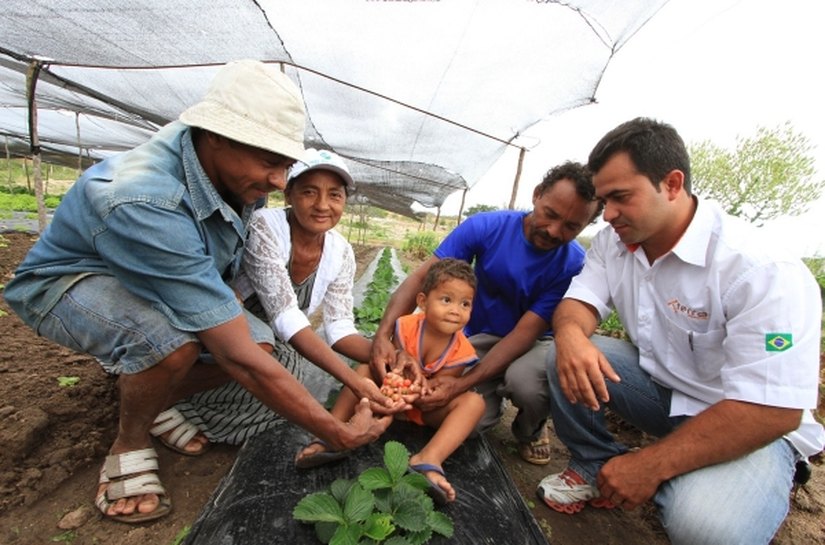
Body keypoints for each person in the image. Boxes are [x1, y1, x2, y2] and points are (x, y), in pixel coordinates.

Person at [2, 60, 394, 524]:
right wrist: (336, 432)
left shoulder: (237, 175)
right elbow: (237, 353)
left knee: (259, 342)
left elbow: (259, 333)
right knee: (176, 344)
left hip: (154, 273)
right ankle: (129, 441)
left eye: (284, 165)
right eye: (272, 165)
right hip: (70, 282)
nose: (277, 181)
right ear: (216, 136)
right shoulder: (145, 198)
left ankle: (153, 392)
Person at [537, 117, 825, 544]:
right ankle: (597, 463)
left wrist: (650, 465)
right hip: (667, 393)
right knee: (561, 351)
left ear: (672, 184)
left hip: (751, 424)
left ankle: (698, 478)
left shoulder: (760, 270)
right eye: (603, 200)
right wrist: (572, 336)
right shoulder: (616, 243)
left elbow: (774, 410)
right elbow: (578, 304)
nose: (607, 215)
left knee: (708, 528)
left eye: (619, 197)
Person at [370, 161, 603, 465]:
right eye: (551, 214)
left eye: (572, 227)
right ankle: (491, 389)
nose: (554, 231)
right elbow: (420, 279)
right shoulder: (487, 227)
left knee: (526, 384)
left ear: (585, 226)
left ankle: (530, 428)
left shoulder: (572, 264)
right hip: (479, 335)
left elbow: (524, 333)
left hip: (534, 342)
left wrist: (462, 383)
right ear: (537, 196)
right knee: (472, 422)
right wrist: (383, 334)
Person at [173, 148, 403, 444]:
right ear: (289, 194)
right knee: (284, 367)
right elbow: (285, 315)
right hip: (223, 330)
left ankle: (207, 413)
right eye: (309, 192)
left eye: (335, 195)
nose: (322, 205)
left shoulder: (341, 252)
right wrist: (355, 381)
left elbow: (339, 327)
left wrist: (389, 356)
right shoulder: (265, 226)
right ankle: (179, 406)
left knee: (292, 383)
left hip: (277, 339)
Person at [296, 258, 485, 504]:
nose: (455, 310)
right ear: (422, 302)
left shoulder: (463, 351)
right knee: (363, 369)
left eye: (465, 304)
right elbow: (388, 365)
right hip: (384, 395)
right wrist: (395, 383)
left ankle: (428, 458)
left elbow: (442, 389)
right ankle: (334, 430)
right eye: (446, 300)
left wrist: (421, 392)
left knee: (475, 402)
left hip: (423, 409)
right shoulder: (405, 327)